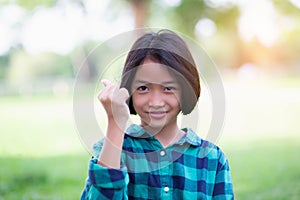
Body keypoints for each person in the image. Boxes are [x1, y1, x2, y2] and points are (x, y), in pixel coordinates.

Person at [80, 29, 234, 199]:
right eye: (143, 88)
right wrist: (115, 121)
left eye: (168, 88)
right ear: (129, 89)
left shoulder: (212, 159)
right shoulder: (112, 149)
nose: (156, 102)